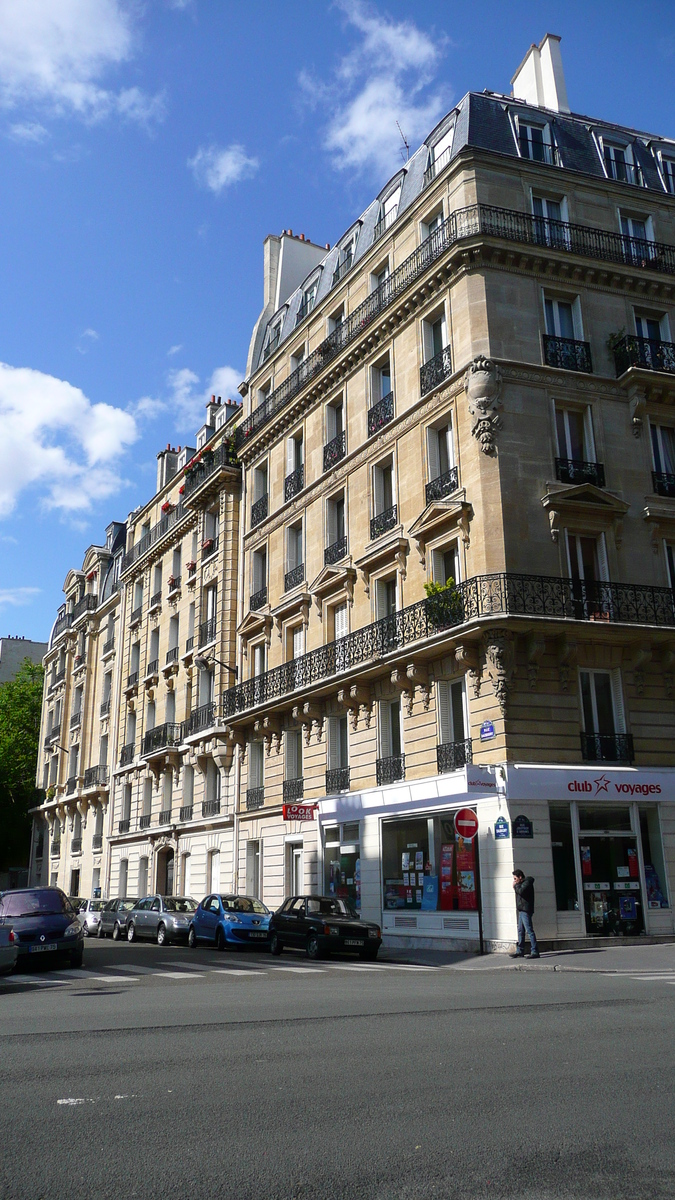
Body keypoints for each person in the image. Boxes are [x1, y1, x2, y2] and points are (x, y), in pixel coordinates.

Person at [510, 869, 540, 958]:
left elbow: (521, 891)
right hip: (522, 909)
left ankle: (535, 951)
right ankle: (520, 950)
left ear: (520, 877)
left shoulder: (527, 883)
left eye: (515, 879)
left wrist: (515, 886)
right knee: (520, 930)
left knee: (529, 930)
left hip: (526, 910)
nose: (514, 881)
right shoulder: (521, 884)